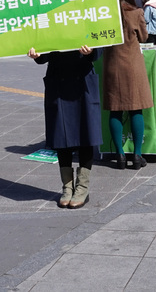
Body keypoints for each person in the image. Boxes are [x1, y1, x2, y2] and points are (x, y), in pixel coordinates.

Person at [28, 43, 101, 209]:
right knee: (61, 133)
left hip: (82, 78)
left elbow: (100, 48)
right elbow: (45, 51)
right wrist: (38, 54)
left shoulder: (88, 16)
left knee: (86, 132)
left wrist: (91, 51)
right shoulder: (47, 16)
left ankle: (82, 187)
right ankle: (67, 187)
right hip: (58, 78)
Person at [103, 0, 153, 170]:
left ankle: (120, 155)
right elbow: (143, 36)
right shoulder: (136, 12)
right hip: (133, 64)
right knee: (136, 108)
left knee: (115, 109)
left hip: (112, 64)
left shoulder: (106, 13)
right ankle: (137, 155)